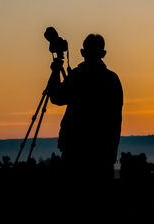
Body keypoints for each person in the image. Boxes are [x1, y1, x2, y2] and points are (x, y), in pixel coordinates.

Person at [48, 34, 123, 181]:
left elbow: (56, 97)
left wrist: (56, 71)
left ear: (83, 53)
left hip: (74, 149)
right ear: (103, 54)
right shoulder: (112, 79)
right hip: (102, 151)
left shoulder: (77, 76)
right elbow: (116, 119)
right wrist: (112, 151)